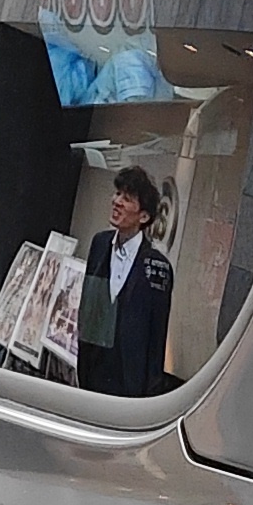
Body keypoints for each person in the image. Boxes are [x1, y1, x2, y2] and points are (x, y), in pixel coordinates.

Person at [76, 163, 173, 396]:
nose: (117, 201)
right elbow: (88, 306)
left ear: (144, 216)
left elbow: (157, 334)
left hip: (129, 380)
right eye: (117, 193)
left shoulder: (157, 265)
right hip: (93, 369)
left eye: (127, 199)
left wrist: (150, 392)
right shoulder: (100, 244)